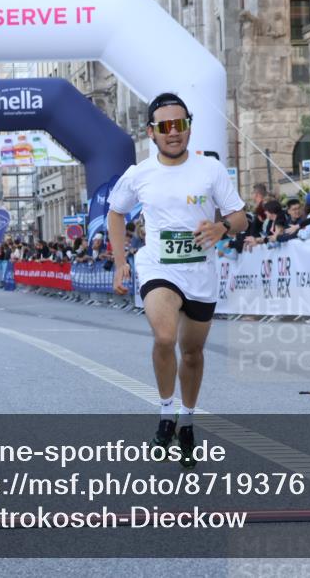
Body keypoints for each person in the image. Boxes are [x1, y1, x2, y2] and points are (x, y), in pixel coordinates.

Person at [107, 92, 246, 470]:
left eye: (180, 124)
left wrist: (221, 227)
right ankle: (166, 413)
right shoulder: (139, 174)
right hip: (158, 268)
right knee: (165, 337)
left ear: (188, 127)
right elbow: (115, 215)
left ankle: (187, 420)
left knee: (192, 352)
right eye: (165, 127)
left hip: (200, 273)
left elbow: (241, 217)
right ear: (152, 133)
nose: (173, 133)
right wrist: (121, 261)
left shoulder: (210, 170)